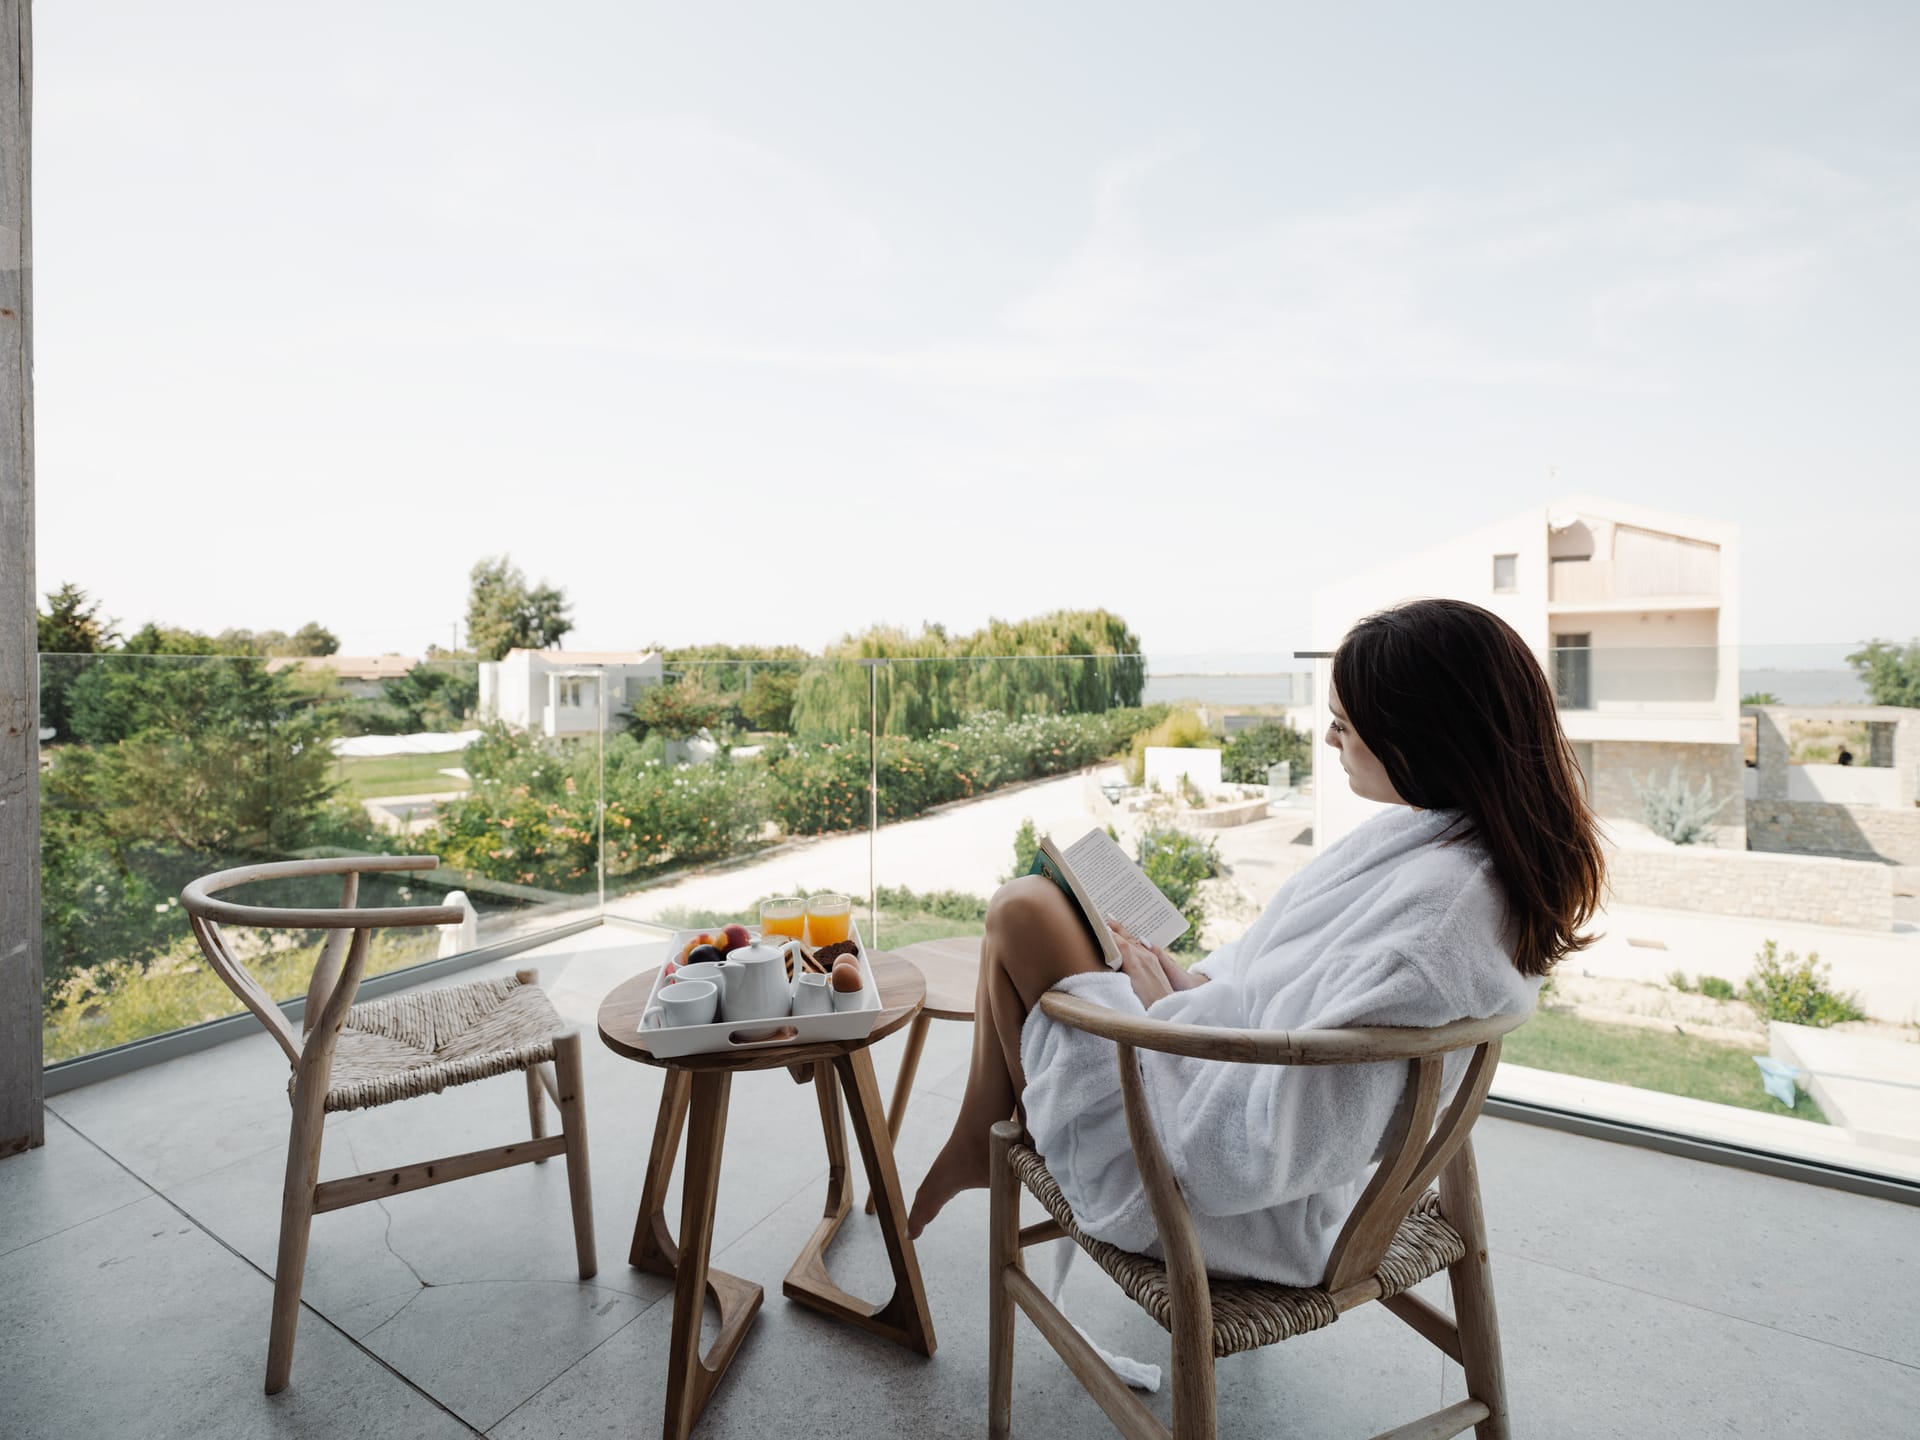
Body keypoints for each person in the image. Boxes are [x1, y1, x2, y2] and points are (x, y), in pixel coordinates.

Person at [906, 598, 1605, 1284]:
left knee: (1023, 910)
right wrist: (1182, 984)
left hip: (1205, 1200)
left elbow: (1258, 1152)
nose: (1328, 740)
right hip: (1206, 1094)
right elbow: (1284, 987)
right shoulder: (1448, 851)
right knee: (1049, 908)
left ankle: (986, 1127)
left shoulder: (1430, 929)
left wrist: (1165, 1014)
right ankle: (981, 1125)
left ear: (1420, 739)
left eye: (1343, 725)